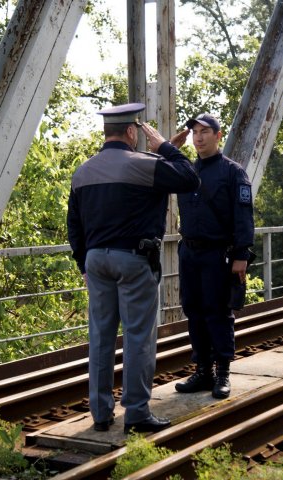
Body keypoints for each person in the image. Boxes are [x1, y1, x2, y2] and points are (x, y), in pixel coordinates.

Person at [67, 103, 200, 434]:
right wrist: (166, 148)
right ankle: (137, 413)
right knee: (138, 337)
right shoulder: (146, 165)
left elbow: (74, 224)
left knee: (100, 337)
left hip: (96, 261)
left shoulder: (83, 172)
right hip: (134, 260)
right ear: (131, 132)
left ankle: (100, 413)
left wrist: (83, 260)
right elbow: (189, 178)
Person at [172, 113, 255, 399]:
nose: (198, 137)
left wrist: (241, 254)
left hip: (218, 253)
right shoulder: (186, 170)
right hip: (190, 252)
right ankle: (203, 371)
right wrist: (170, 146)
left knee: (218, 312)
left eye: (205, 131)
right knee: (193, 310)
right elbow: (152, 174)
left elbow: (243, 216)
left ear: (218, 136)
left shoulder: (233, 172)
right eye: (194, 132)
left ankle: (223, 374)